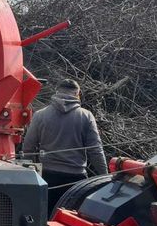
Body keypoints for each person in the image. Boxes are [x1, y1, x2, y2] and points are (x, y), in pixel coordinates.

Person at [22, 79, 107, 211]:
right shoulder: (86, 116)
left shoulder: (40, 115)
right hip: (75, 180)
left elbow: (28, 148)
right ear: (77, 94)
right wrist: (106, 176)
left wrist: (33, 175)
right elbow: (95, 150)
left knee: (45, 218)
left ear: (57, 92)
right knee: (69, 219)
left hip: (47, 177)